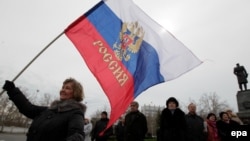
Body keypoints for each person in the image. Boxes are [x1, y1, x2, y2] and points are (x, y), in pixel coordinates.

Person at [2, 78, 85, 141]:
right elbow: (28, 108)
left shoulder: (76, 114)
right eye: (63, 87)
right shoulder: (49, 110)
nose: (63, 90)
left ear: (75, 93)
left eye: (67, 88)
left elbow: (77, 136)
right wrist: (12, 90)